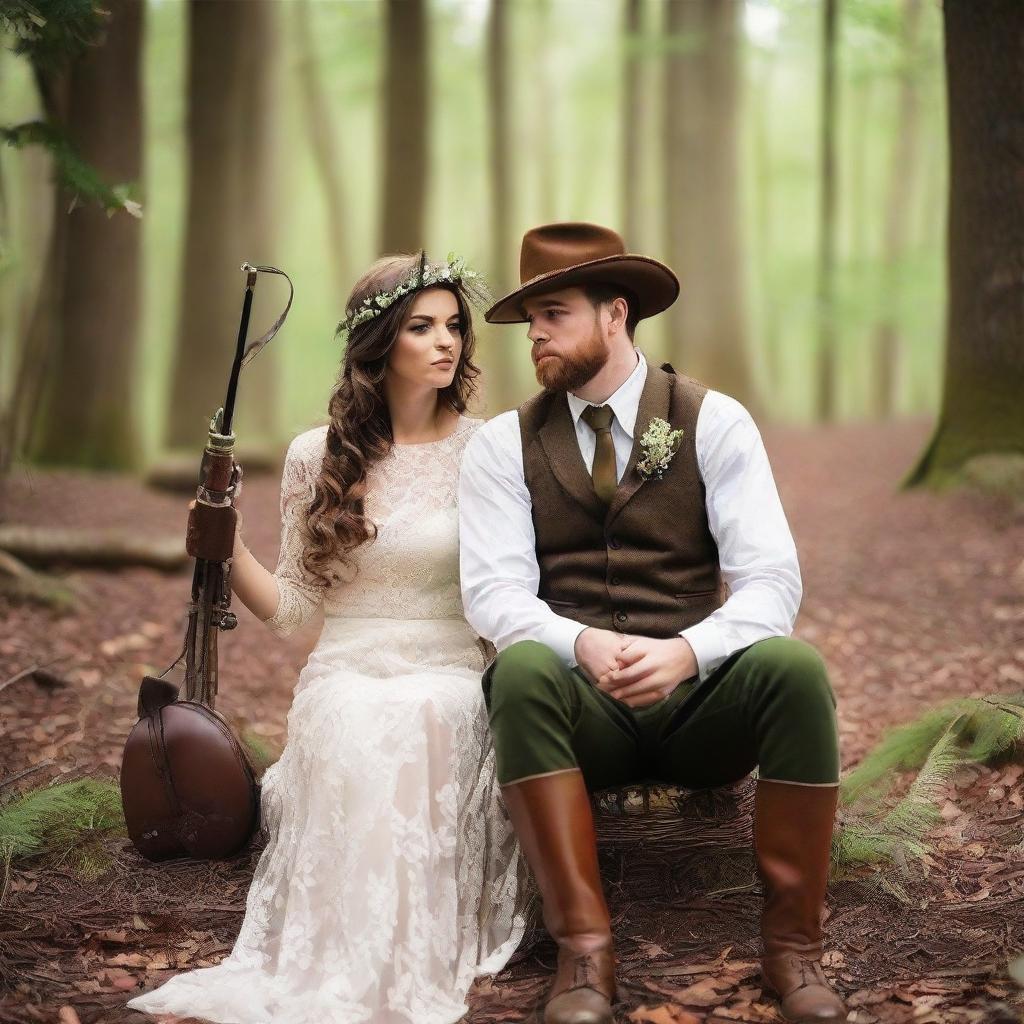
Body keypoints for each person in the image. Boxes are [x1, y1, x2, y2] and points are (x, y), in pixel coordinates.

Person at [458, 222, 848, 1024]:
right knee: (521, 664)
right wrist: (580, 642)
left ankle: (793, 950)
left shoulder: (716, 420)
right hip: (579, 714)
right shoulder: (503, 444)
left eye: (554, 313)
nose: (534, 334)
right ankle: (584, 953)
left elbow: (772, 581)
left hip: (698, 710)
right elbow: (493, 594)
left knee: (796, 667)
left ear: (615, 314)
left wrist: (688, 653)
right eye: (529, 319)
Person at [127, 251, 530, 1024]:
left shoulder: (488, 447)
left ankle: (399, 957)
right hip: (345, 660)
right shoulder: (318, 455)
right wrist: (225, 545)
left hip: (447, 659)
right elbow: (295, 609)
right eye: (422, 327)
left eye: (454, 326)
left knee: (420, 717)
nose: (446, 342)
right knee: (350, 721)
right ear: (380, 343)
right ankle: (336, 960)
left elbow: (505, 590)